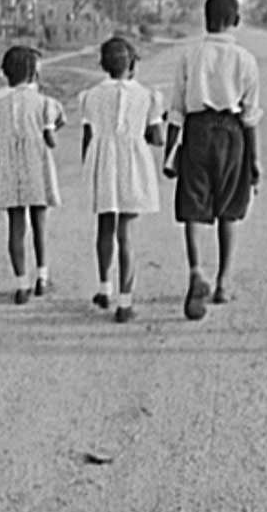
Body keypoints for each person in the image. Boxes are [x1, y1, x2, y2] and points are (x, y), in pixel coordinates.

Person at [164, 0, 262, 321]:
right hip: (232, 134)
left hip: (197, 131)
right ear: (236, 20)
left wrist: (169, 153)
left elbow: (176, 108)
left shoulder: (190, 55)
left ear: (205, 19)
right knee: (229, 209)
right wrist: (254, 159)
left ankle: (195, 270)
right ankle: (223, 282)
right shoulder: (246, 59)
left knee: (193, 205)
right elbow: (250, 116)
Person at [79, 37, 164, 322]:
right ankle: (125, 303)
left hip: (102, 163)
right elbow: (157, 138)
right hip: (131, 163)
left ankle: (104, 289)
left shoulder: (90, 96)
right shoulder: (148, 96)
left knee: (104, 227)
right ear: (133, 64)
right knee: (125, 234)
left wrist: (88, 169)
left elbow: (88, 138)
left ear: (103, 65)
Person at [0, 45, 65, 304]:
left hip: (8, 166)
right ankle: (42, 276)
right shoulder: (45, 103)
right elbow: (51, 139)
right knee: (39, 222)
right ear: (33, 73)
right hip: (35, 165)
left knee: (15, 227)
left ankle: (21, 284)